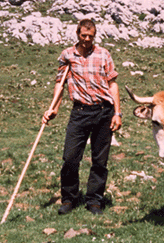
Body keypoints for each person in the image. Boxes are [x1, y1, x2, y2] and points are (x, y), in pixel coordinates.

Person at [42, 19, 122, 215]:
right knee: (70, 158)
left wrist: (117, 113)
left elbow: (113, 85)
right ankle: (69, 199)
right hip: (80, 112)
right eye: (83, 35)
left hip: (104, 111)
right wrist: (54, 108)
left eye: (90, 36)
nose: (87, 39)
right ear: (77, 34)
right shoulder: (67, 55)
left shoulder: (103, 54)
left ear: (94, 35)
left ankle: (94, 200)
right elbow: (60, 83)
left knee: (100, 160)